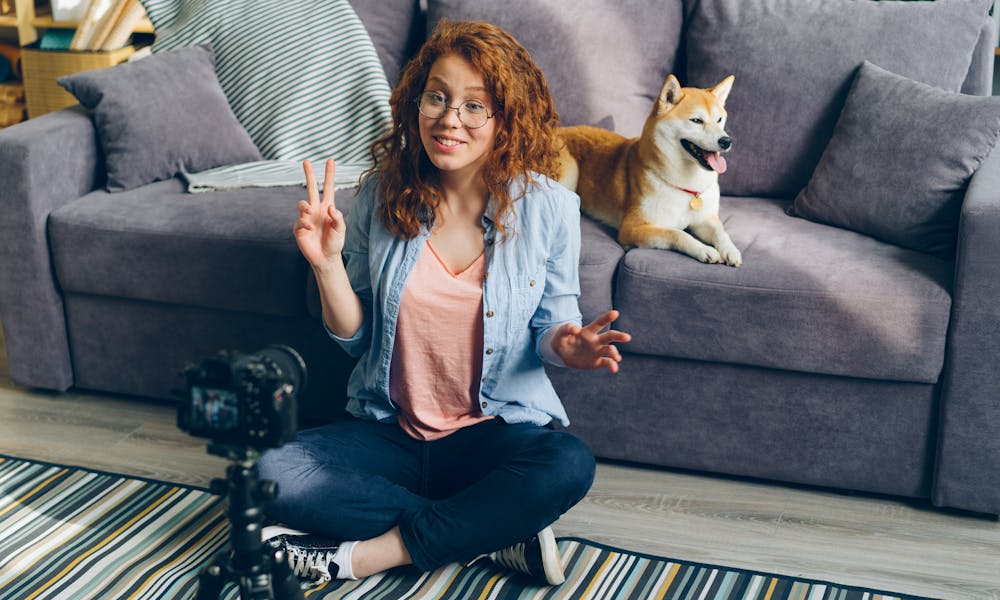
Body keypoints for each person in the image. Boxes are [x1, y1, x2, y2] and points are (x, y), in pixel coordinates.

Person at [257, 19, 631, 587]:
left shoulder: (550, 207)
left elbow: (553, 326)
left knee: (568, 463)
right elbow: (358, 338)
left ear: (506, 119)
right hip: (391, 430)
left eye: (474, 106)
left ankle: (364, 556)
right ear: (416, 102)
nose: (449, 118)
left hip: (491, 432)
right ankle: (491, 531)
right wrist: (326, 265)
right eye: (436, 97)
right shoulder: (382, 194)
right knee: (269, 469)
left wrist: (569, 345)